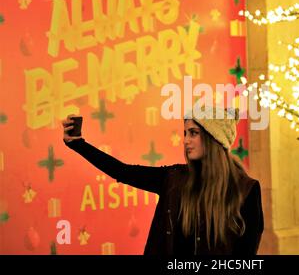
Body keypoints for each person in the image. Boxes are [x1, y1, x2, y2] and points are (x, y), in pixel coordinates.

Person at [62, 108, 264, 255]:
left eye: (193, 133)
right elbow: (123, 171)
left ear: (215, 138)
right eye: (185, 133)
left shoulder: (246, 190)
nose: (185, 140)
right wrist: (78, 144)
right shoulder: (174, 178)